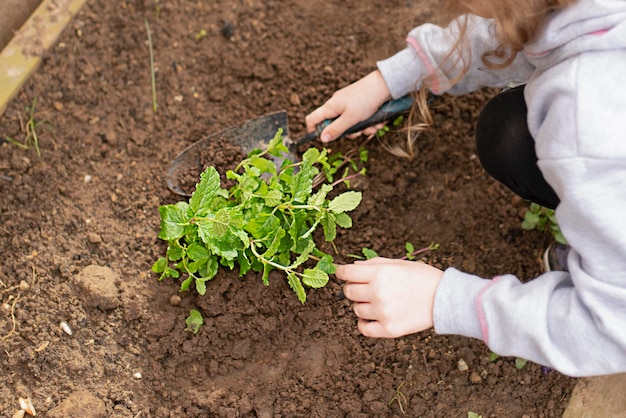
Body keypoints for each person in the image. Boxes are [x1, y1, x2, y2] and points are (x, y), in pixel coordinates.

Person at [305, 0, 626, 377]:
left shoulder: (588, 123)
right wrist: (389, 80)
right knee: (508, 134)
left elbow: (610, 332)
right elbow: (512, 28)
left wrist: (444, 300)